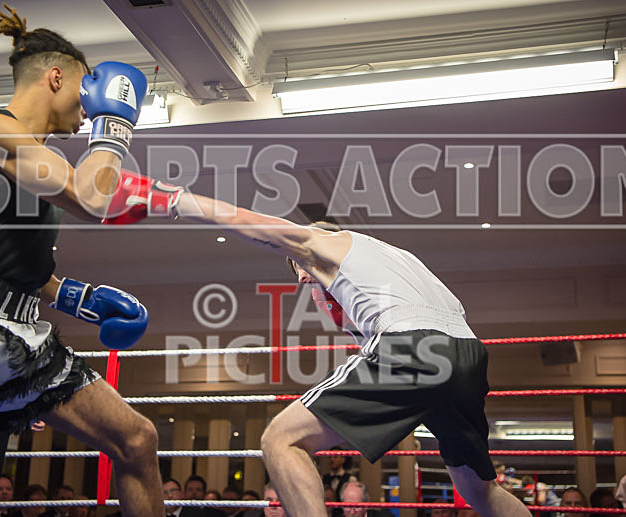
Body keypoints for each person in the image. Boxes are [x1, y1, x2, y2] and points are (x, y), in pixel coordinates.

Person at [101, 176, 533, 517]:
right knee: (479, 489)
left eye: (303, 274)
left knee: (280, 440)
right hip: (467, 353)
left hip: (413, 343)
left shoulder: (320, 243)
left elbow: (252, 225)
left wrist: (167, 198)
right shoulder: (393, 257)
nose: (306, 281)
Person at [0, 5, 162, 516]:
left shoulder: (42, 158)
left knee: (138, 440)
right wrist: (114, 126)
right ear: (56, 77)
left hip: (21, 336)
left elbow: (12, 256)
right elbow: (93, 198)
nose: (89, 104)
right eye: (85, 86)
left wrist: (74, 296)